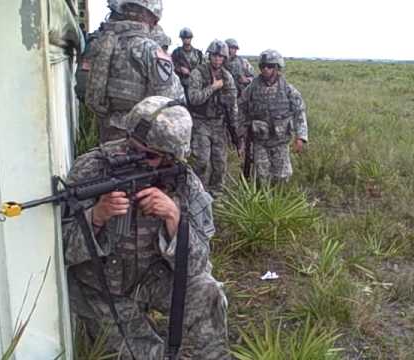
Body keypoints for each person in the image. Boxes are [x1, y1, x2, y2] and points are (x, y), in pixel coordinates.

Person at [63, 96, 230, 359]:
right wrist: (95, 216)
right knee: (147, 354)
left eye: (149, 155)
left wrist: (174, 218)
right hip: (104, 287)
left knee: (208, 293)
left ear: (170, 158)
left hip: (155, 278)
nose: (134, 157)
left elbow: (197, 265)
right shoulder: (92, 170)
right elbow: (60, 249)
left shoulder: (184, 181)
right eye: (132, 145)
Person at [85, 0, 182, 143]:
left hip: (109, 133)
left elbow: (93, 99)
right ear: (152, 18)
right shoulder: (149, 49)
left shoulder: (105, 43)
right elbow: (170, 99)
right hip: (140, 139)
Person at [241, 49, 308, 184]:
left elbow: (299, 112)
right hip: (260, 141)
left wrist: (301, 137)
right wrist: (241, 134)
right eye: (263, 66)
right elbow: (241, 108)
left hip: (280, 141)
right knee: (261, 176)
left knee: (282, 176)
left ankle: (278, 202)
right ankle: (261, 203)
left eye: (270, 66)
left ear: (277, 67)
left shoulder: (288, 89)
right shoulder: (252, 88)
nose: (266, 69)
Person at [187, 40, 241, 196]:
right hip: (200, 121)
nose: (217, 60)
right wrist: (213, 87)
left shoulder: (227, 77)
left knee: (220, 163)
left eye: (221, 57)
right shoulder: (198, 73)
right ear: (209, 56)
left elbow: (232, 104)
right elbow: (194, 98)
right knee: (201, 161)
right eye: (215, 56)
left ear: (225, 58)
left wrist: (235, 129)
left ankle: (216, 193)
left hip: (219, 123)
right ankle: (197, 193)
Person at [171, 28, 204, 99]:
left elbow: (203, 70)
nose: (186, 39)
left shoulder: (198, 54)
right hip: (180, 85)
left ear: (191, 38)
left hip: (195, 85)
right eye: (184, 38)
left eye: (188, 37)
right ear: (181, 39)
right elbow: (171, 66)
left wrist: (191, 73)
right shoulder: (176, 52)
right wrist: (180, 69)